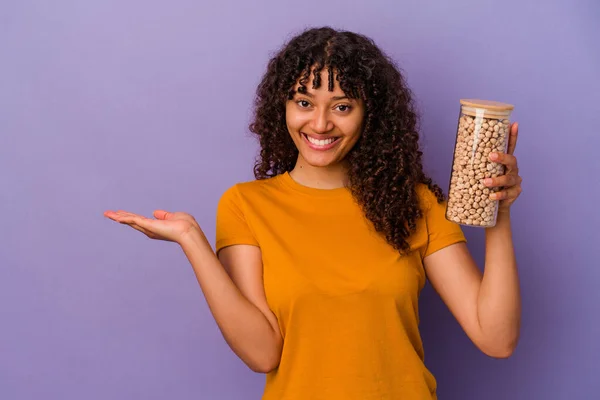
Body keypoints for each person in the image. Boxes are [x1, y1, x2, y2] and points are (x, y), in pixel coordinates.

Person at [104, 26, 522, 400]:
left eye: (342, 107)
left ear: (369, 116)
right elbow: (262, 353)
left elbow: (496, 338)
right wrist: (192, 241)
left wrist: (497, 213)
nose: (320, 124)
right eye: (304, 102)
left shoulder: (414, 203)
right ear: (282, 107)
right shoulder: (246, 205)